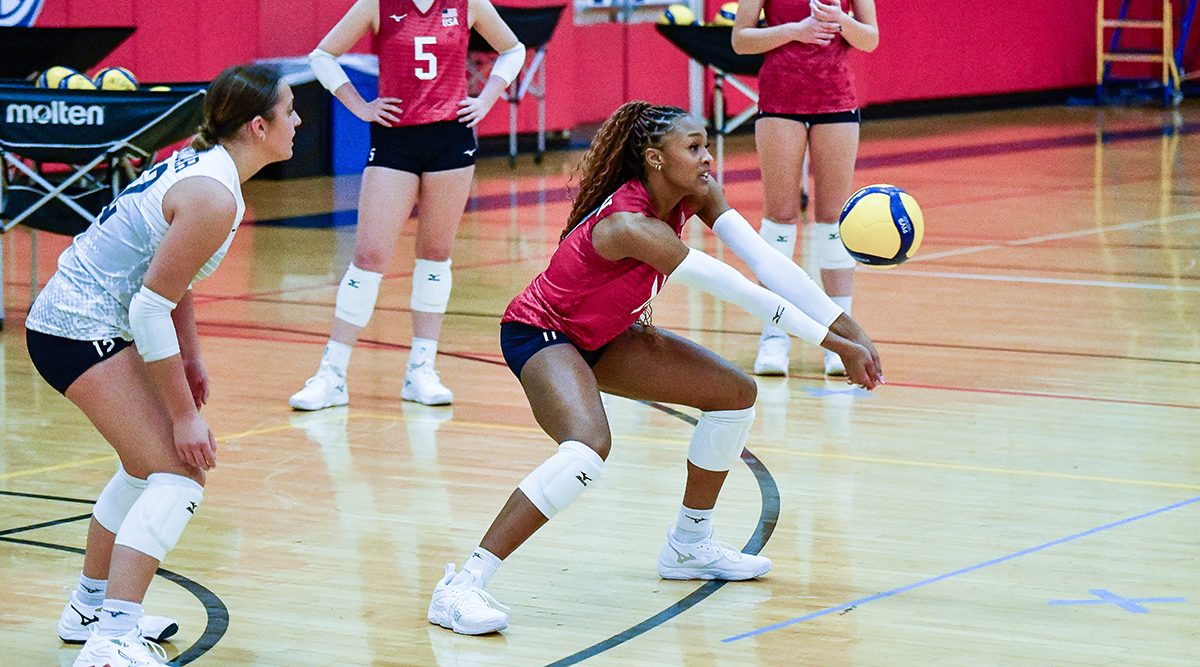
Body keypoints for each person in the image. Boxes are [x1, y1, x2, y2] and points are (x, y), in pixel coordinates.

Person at [426, 101, 883, 635]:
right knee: (587, 447)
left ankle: (688, 546)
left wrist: (851, 329)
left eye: (706, 144)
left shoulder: (697, 192)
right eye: (693, 148)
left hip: (608, 334)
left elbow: (766, 262)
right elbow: (742, 291)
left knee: (734, 395)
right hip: (543, 334)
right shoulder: (630, 225)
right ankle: (462, 586)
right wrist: (834, 343)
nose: (707, 158)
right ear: (654, 159)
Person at [25, 64, 300, 667]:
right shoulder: (213, 193)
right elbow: (151, 307)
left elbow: (172, 279)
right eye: (290, 110)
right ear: (258, 126)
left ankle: (90, 609)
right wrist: (183, 418)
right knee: (180, 473)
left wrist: (193, 359)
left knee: (143, 468)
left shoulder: (212, 175)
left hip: (79, 324)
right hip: (75, 330)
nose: (299, 120)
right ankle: (113, 639)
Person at [290, 0, 525, 410]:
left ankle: (421, 370)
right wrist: (359, 106)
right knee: (369, 256)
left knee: (435, 255)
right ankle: (332, 374)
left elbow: (514, 48)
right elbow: (322, 55)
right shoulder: (377, 4)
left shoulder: (468, 4)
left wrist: (487, 98)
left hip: (451, 139)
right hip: (395, 141)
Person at [732, 0, 879, 376]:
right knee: (780, 220)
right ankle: (774, 335)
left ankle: (840, 339)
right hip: (781, 101)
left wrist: (841, 21)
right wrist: (794, 30)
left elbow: (870, 38)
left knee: (833, 221)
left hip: (836, 103)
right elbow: (740, 40)